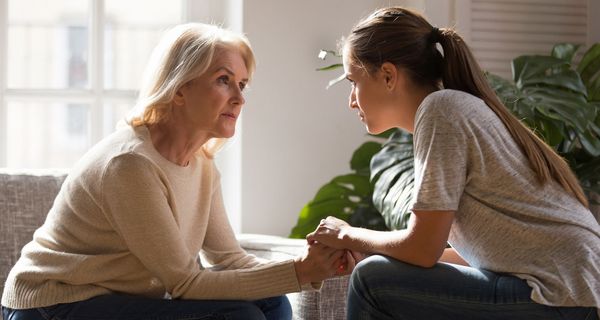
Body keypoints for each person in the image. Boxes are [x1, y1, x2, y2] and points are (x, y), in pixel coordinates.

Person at [1, 23, 356, 320]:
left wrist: (302, 265)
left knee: (272, 301)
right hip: (53, 303)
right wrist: (299, 272)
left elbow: (228, 258)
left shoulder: (201, 164)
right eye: (223, 80)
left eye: (242, 84)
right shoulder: (130, 164)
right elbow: (184, 283)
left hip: (117, 297)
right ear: (180, 88)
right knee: (239, 317)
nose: (239, 97)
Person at [307, 7, 600, 320]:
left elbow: (422, 249)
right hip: (571, 292)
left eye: (354, 81)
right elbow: (471, 255)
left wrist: (345, 235)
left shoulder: (441, 111)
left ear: (389, 76)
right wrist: (369, 248)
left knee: (371, 281)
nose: (352, 100)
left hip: (559, 296)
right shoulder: (452, 109)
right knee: (375, 271)